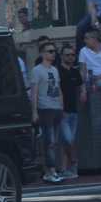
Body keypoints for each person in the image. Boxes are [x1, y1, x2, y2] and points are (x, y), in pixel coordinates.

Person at [28, 41, 64, 183]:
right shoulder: (37, 70)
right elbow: (34, 93)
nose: (53, 53)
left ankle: (50, 170)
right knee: (49, 141)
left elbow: (58, 87)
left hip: (56, 107)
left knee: (54, 141)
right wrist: (34, 112)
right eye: (50, 51)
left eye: (54, 51)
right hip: (45, 108)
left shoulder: (54, 70)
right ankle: (52, 170)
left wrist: (61, 104)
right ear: (43, 53)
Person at [55, 44, 84, 179]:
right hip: (62, 112)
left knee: (67, 141)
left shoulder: (75, 72)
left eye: (72, 55)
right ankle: (74, 161)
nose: (70, 57)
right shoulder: (56, 71)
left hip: (74, 112)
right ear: (61, 56)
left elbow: (81, 83)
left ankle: (63, 169)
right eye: (67, 55)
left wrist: (83, 91)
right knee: (68, 139)